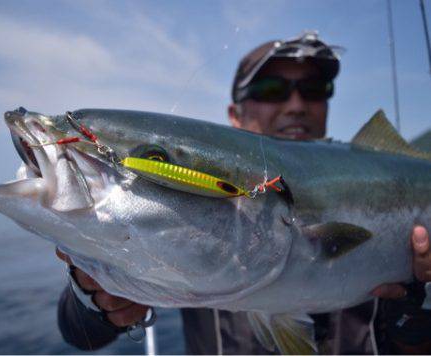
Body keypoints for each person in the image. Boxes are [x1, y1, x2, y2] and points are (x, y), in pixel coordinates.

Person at [57, 32, 431, 354]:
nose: (296, 105)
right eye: (272, 90)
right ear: (234, 115)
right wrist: (96, 296)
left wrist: (413, 316)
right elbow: (79, 333)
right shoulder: (194, 205)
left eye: (314, 90)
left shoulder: (372, 173)